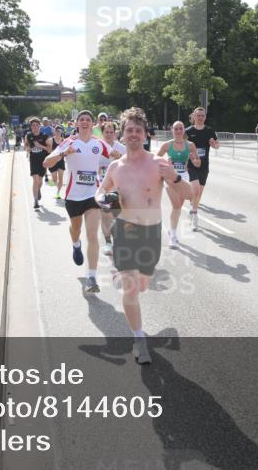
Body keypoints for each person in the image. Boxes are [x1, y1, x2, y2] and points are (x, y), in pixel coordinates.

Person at [96, 108, 191, 364]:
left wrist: (175, 177)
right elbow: (100, 192)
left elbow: (190, 193)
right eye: (129, 130)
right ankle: (139, 341)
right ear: (122, 135)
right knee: (130, 290)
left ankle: (125, 277)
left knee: (143, 285)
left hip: (151, 233)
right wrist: (104, 199)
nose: (134, 134)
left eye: (138, 130)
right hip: (125, 232)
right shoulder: (116, 167)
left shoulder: (159, 163)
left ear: (145, 133)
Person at [44, 111, 107, 293]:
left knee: (93, 236)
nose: (85, 122)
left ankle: (92, 278)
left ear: (92, 123)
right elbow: (46, 163)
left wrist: (121, 155)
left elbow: (118, 155)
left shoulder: (99, 144)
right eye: (82, 120)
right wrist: (63, 153)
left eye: (88, 119)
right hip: (73, 196)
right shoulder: (69, 142)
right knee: (76, 229)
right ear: (77, 123)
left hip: (93, 195)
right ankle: (75, 244)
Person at [156, 121, 201, 248]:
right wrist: (165, 161)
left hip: (184, 177)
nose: (179, 131)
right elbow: (155, 160)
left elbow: (198, 163)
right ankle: (173, 236)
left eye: (181, 128)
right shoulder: (167, 145)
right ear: (172, 130)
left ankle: (172, 230)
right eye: (176, 129)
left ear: (184, 130)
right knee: (176, 206)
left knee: (179, 206)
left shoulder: (191, 145)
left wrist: (194, 160)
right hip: (170, 178)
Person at [184, 107, 219, 230]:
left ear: (205, 117)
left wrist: (214, 145)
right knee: (196, 190)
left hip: (204, 165)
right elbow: (181, 147)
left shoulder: (210, 131)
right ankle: (195, 215)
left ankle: (193, 210)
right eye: (198, 115)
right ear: (194, 116)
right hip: (191, 165)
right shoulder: (187, 131)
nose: (200, 118)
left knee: (199, 193)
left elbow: (217, 145)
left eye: (202, 115)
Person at [98, 121, 126, 256]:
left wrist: (119, 157)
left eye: (111, 132)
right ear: (102, 133)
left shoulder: (122, 148)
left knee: (118, 217)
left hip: (119, 188)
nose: (109, 135)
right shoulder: (97, 147)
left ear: (115, 133)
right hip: (102, 188)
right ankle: (108, 243)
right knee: (105, 216)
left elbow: (130, 166)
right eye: (106, 132)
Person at [25, 117, 52, 210]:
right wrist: (28, 149)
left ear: (39, 126)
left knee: (40, 181)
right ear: (31, 126)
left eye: (37, 125)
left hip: (43, 161)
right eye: (33, 125)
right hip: (33, 160)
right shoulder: (28, 135)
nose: (35, 127)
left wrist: (40, 146)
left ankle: (38, 190)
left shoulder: (45, 136)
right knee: (35, 180)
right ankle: (35, 200)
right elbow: (27, 146)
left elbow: (50, 149)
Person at [50, 125, 67, 200]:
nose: (58, 133)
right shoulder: (51, 140)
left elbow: (67, 151)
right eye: (57, 131)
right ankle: (52, 181)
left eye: (60, 131)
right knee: (54, 179)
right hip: (53, 161)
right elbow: (49, 151)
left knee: (60, 178)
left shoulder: (64, 141)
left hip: (61, 161)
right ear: (55, 131)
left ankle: (58, 193)